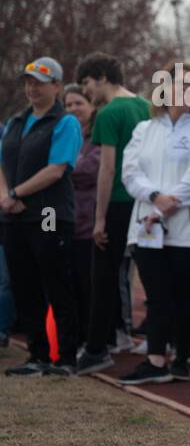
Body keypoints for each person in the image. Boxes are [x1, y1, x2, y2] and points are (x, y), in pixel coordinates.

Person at [116, 63, 190, 384]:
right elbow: (130, 173)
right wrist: (154, 196)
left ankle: (184, 359)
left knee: (184, 295)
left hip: (189, 228)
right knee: (158, 295)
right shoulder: (145, 129)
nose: (186, 91)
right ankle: (156, 359)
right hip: (146, 228)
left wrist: (162, 208)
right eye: (180, 84)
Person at [0, 57, 82, 376]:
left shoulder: (65, 122)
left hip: (48, 212)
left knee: (55, 281)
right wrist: (7, 196)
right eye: (29, 82)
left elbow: (57, 168)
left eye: (40, 82)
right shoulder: (16, 122)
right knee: (24, 284)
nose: (32, 88)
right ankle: (37, 355)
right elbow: (2, 163)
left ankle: (65, 357)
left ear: (57, 87)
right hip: (14, 216)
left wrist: (17, 193)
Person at [73, 52, 150, 375]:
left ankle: (96, 348)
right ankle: (170, 347)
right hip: (145, 200)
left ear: (102, 77)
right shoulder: (146, 106)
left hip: (119, 201)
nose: (87, 91)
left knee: (103, 275)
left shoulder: (108, 114)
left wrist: (99, 218)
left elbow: (107, 169)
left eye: (87, 83)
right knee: (151, 274)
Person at [63, 83, 101, 348]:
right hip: (64, 220)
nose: (73, 109)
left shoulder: (97, 138)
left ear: (92, 106)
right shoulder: (66, 136)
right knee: (67, 285)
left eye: (79, 103)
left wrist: (59, 166)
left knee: (88, 287)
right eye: (68, 105)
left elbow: (86, 171)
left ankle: (93, 341)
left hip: (89, 222)